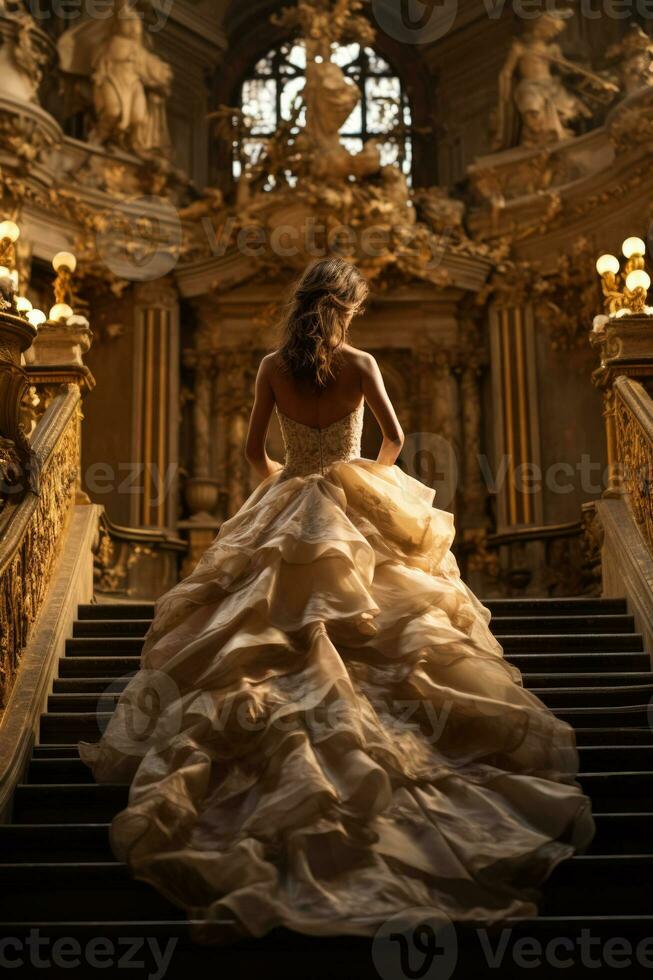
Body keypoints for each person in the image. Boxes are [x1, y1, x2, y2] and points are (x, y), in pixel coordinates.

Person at [80, 257, 594, 944]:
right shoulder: (359, 363)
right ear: (347, 309)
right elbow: (395, 441)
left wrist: (280, 487)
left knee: (267, 628)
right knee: (388, 627)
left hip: (288, 500)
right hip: (349, 499)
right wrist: (362, 483)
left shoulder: (269, 364)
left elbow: (253, 454)